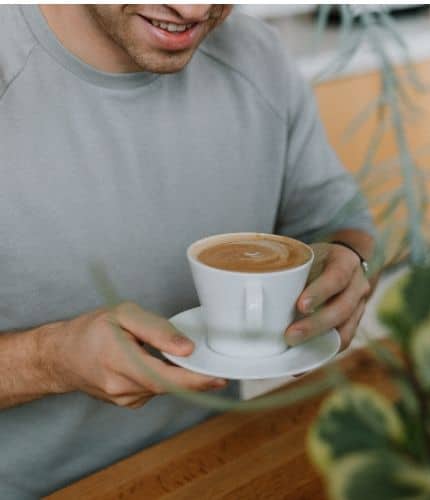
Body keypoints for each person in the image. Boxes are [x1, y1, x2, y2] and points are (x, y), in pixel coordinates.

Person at [0, 4, 375, 498]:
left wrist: (350, 260)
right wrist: (49, 360)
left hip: (212, 465)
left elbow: (339, 219)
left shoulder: (256, 55)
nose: (193, 9)